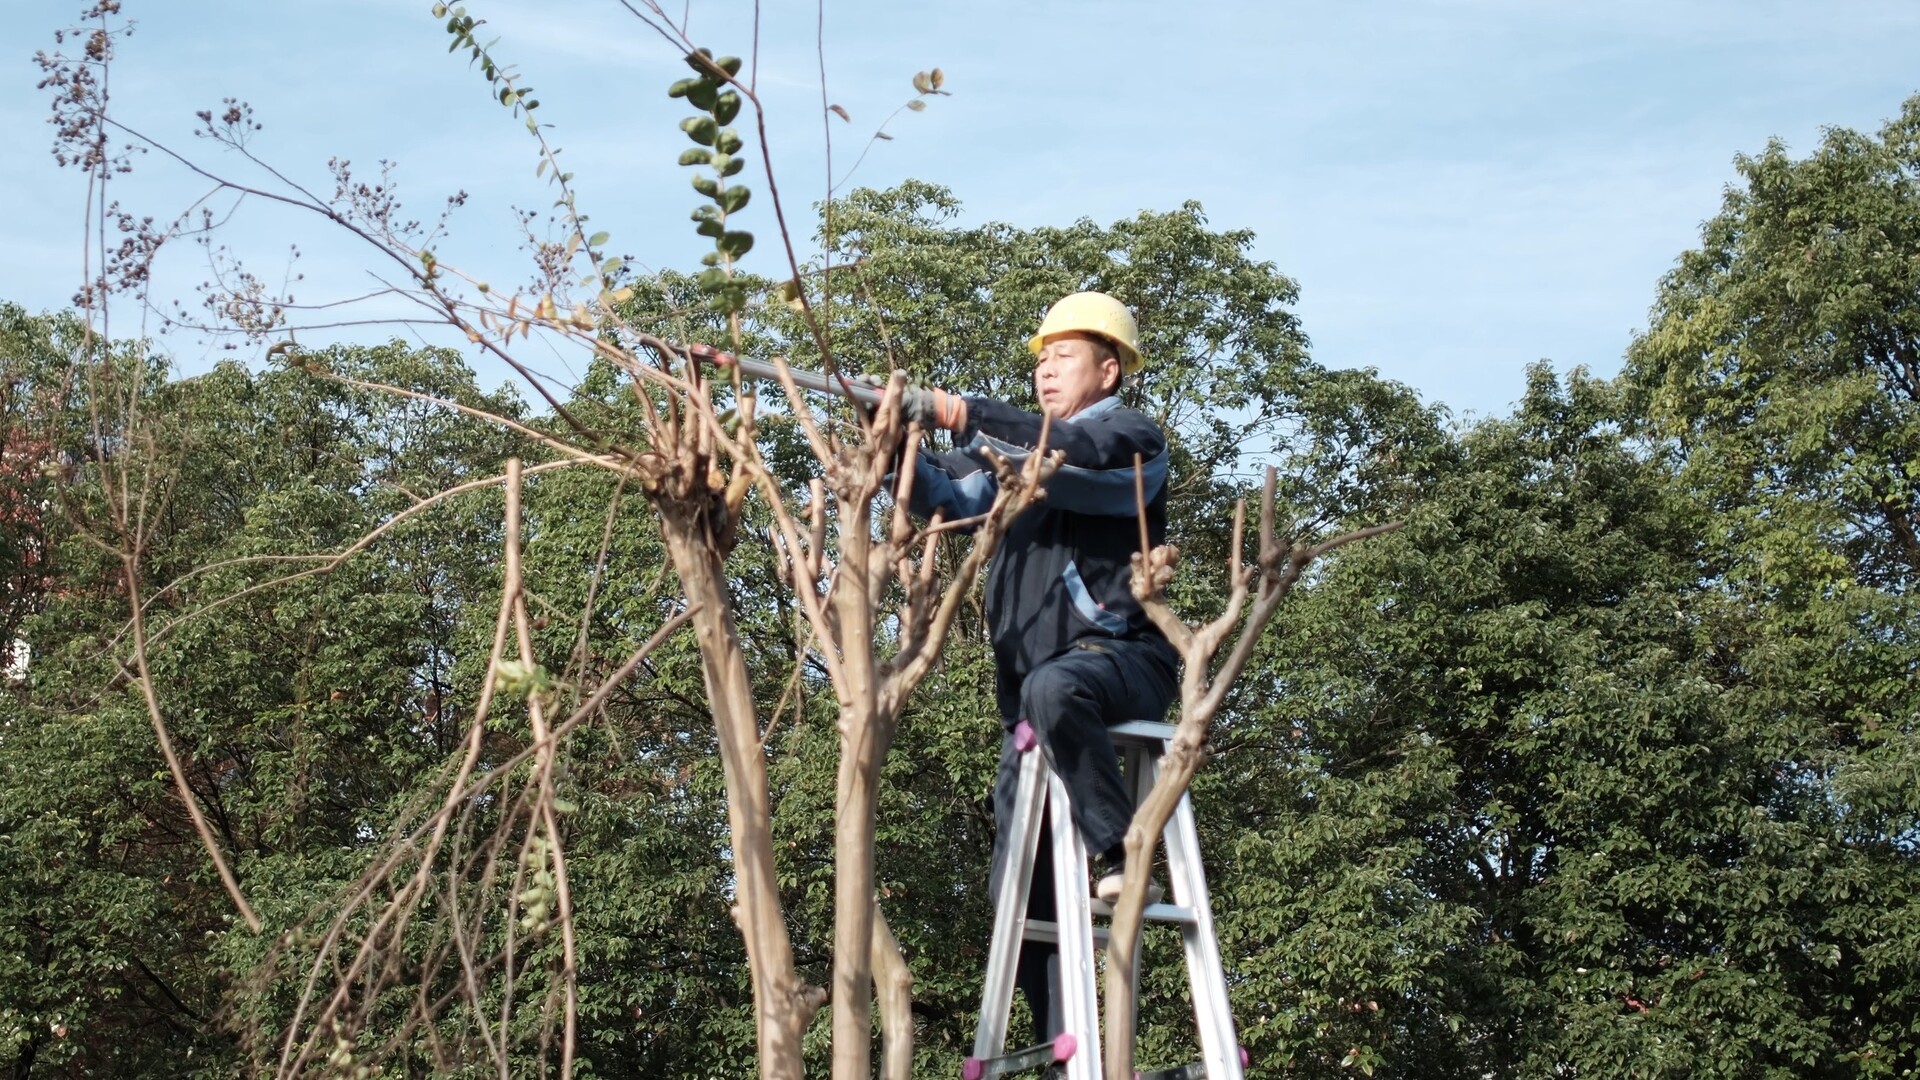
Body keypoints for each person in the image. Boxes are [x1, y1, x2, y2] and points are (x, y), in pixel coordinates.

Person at [897, 291, 1179, 1045]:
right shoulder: (1013, 461)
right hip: (1032, 702)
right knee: (1018, 903)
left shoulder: (1131, 439)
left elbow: (1072, 457)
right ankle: (1064, 1048)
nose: (1047, 370)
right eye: (1042, 359)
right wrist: (895, 436)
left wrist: (964, 411)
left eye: (1065, 356)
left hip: (1120, 661)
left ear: (1109, 369)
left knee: (1059, 685)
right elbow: (944, 493)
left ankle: (1117, 848)